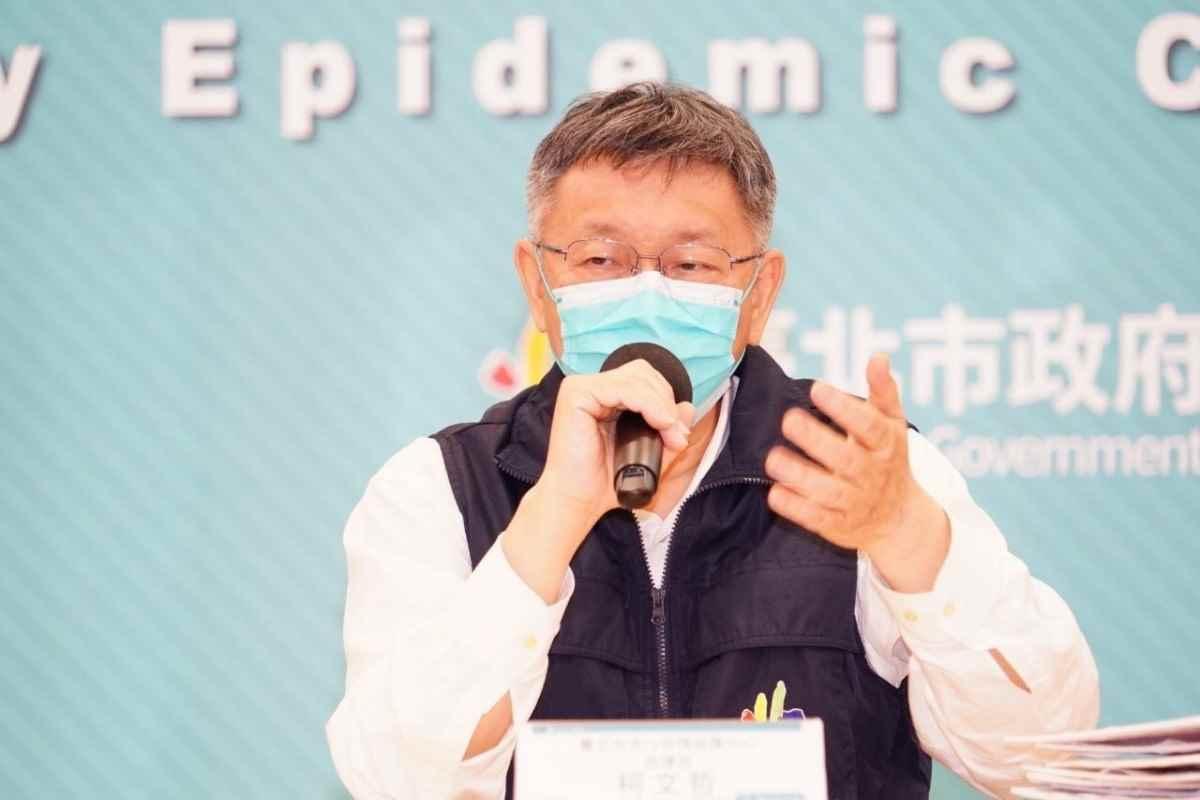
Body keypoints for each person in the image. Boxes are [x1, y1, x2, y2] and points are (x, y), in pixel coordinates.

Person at [325, 82, 1099, 799]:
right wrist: (547, 525)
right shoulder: (440, 488)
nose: (647, 292)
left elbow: (1039, 756)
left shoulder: (862, 472)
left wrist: (909, 538)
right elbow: (396, 780)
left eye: (691, 263)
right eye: (601, 259)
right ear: (537, 284)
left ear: (759, 293)